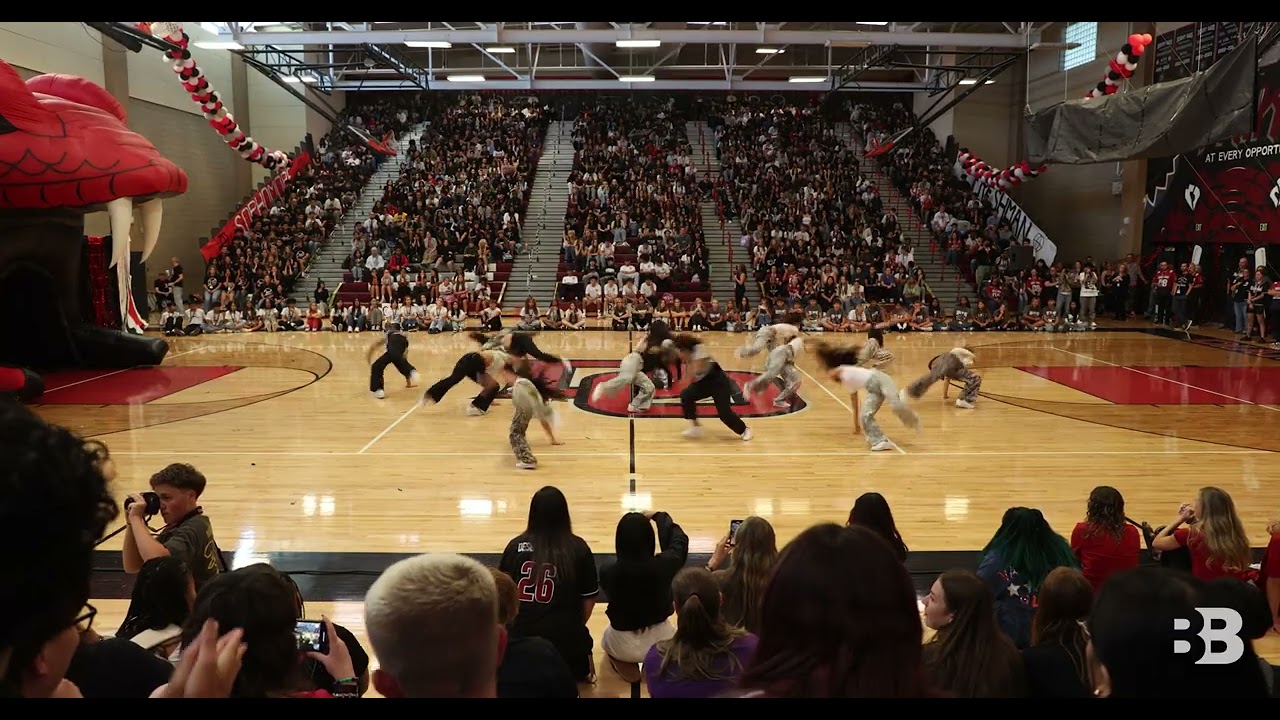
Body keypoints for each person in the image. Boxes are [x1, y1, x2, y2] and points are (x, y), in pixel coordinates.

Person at [122, 463, 223, 591]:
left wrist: (136, 519)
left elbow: (158, 562)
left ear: (190, 496)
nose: (161, 505)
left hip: (193, 608)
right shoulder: (183, 524)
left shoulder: (194, 527)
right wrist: (131, 523)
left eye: (166, 498)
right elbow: (132, 565)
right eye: (158, 499)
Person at [813, 341, 920, 452]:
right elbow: (855, 405)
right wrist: (856, 425)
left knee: (895, 406)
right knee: (865, 415)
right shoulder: (849, 383)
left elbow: (831, 365)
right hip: (873, 390)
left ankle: (913, 418)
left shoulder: (843, 369)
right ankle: (880, 441)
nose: (830, 375)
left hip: (881, 379)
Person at [671, 334, 752, 441]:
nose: (678, 355)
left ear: (685, 349)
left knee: (724, 414)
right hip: (705, 383)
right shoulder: (689, 355)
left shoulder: (699, 351)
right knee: (686, 395)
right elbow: (690, 374)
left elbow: (697, 369)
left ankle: (745, 430)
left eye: (679, 352)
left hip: (719, 383)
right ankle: (696, 427)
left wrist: (688, 362)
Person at [590, 320, 677, 413]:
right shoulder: (650, 341)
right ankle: (603, 386)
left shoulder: (661, 342)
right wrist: (662, 348)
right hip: (633, 360)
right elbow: (647, 350)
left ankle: (634, 406)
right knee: (627, 377)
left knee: (649, 387)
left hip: (638, 367)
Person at [499, 358, 566, 470]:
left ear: (511, 373)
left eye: (505, 374)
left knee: (516, 434)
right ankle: (526, 458)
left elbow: (534, 399)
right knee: (516, 434)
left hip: (524, 411)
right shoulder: (521, 383)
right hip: (524, 411)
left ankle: (527, 459)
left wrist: (541, 411)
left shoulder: (522, 383)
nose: (504, 378)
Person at [420, 347, 510, 416]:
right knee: (454, 379)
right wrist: (490, 398)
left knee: (493, 385)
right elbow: (490, 379)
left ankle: (476, 408)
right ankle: (430, 394)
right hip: (472, 360)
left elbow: (488, 382)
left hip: (474, 362)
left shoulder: (502, 358)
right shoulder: (501, 361)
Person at [905, 347, 981, 409]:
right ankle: (965, 400)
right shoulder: (960, 352)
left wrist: (945, 394)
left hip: (942, 363)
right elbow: (969, 355)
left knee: (931, 377)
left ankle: (912, 390)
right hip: (951, 363)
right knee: (975, 379)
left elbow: (947, 378)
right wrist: (973, 357)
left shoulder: (954, 356)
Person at [744, 336, 804, 408]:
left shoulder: (793, 343)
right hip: (784, 352)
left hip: (787, 357)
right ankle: (750, 385)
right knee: (771, 374)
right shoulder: (800, 340)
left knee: (795, 381)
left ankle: (778, 400)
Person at [366, 322, 419, 399]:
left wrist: (369, 358)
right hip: (400, 349)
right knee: (399, 361)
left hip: (392, 351)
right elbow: (404, 359)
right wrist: (408, 381)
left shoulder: (389, 334)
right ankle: (412, 371)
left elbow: (374, 345)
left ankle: (378, 390)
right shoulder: (404, 337)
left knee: (376, 366)